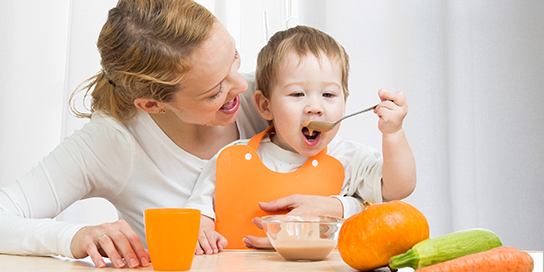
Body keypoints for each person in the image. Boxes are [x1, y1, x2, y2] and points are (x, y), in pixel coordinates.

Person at [0, 0, 273, 269]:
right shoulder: (114, 141)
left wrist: (318, 210)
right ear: (153, 105)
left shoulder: (275, 99)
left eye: (234, 57)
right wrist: (74, 236)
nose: (241, 84)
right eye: (215, 91)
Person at [184, 25, 417, 254]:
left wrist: (393, 133)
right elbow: (198, 211)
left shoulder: (349, 158)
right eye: (297, 94)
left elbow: (398, 188)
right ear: (266, 106)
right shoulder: (230, 158)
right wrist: (202, 227)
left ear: (344, 102)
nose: (314, 107)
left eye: (328, 94)